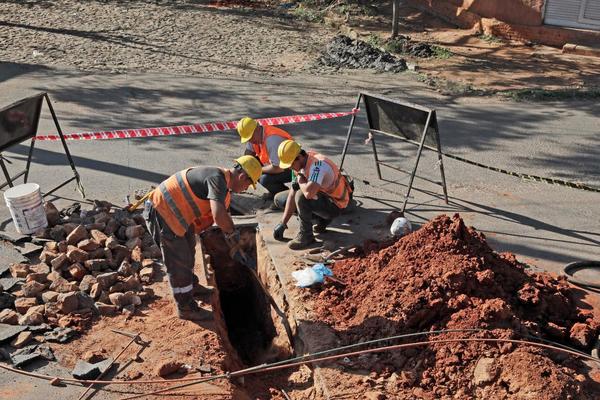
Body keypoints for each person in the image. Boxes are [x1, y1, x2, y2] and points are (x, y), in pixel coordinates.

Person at [143, 156, 261, 321]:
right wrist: (234, 238)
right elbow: (219, 215)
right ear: (242, 177)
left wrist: (232, 238)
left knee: (189, 250)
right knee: (179, 261)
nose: (246, 188)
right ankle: (185, 308)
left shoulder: (222, 181)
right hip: (163, 211)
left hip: (180, 215)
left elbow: (220, 214)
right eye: (248, 184)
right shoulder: (217, 179)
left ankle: (192, 287)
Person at [272, 140, 353, 250]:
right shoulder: (299, 164)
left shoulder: (318, 165)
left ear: (299, 157)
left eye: (290, 165)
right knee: (280, 199)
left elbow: (308, 194)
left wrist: (300, 179)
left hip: (336, 204)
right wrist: (283, 223)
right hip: (321, 197)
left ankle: (306, 236)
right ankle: (321, 220)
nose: (290, 168)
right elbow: (292, 193)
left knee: (301, 197)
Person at [236, 117, 293, 199]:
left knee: (263, 178)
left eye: (250, 137)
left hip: (290, 168)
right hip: (273, 163)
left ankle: (282, 195)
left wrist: (256, 170)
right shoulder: (255, 136)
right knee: (249, 166)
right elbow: (248, 153)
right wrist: (244, 171)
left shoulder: (272, 140)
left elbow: (278, 168)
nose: (250, 141)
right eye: (248, 139)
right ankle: (275, 192)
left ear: (257, 129)